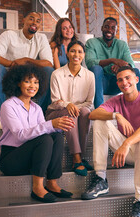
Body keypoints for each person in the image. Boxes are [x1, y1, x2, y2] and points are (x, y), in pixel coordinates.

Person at [81, 66, 140, 217]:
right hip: (133, 153)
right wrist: (116, 115)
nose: (124, 82)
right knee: (100, 121)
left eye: (128, 78)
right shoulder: (116, 101)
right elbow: (92, 114)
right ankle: (101, 179)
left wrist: (126, 143)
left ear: (136, 80)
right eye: (120, 79)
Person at [0, 64, 75, 203]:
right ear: (17, 83)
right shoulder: (8, 106)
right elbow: (21, 135)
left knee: (57, 136)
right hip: (11, 159)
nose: (32, 85)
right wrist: (51, 124)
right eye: (27, 81)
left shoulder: (37, 108)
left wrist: (59, 125)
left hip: (31, 157)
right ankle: (38, 188)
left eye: (36, 82)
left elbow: (43, 130)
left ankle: (52, 183)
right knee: (45, 139)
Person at [0, 11, 54, 112]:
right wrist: (13, 64)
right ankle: (1, 115)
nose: (34, 23)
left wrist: (26, 60)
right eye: (31, 19)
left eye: (38, 21)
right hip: (9, 74)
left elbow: (48, 63)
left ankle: (39, 113)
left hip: (30, 77)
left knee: (49, 71)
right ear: (24, 20)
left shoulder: (41, 38)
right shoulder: (9, 35)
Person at [46, 41, 95, 176]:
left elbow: (89, 103)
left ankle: (80, 156)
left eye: (80, 52)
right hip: (55, 112)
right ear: (67, 53)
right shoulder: (57, 74)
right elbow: (55, 101)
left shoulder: (90, 76)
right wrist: (68, 105)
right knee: (70, 112)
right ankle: (77, 158)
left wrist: (75, 107)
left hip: (78, 111)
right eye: (73, 51)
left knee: (85, 112)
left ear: (84, 55)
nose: (76, 54)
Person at [85, 17, 140, 109]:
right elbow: (90, 63)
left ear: (116, 31)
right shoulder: (92, 42)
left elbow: (131, 65)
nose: (109, 30)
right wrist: (112, 60)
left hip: (117, 83)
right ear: (102, 28)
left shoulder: (122, 44)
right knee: (96, 69)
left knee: (135, 71)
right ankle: (100, 110)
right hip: (99, 82)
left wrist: (120, 69)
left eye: (113, 28)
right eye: (107, 27)